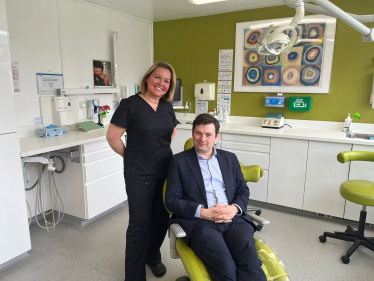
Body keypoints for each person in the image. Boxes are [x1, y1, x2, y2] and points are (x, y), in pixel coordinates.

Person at [165, 113, 267, 281]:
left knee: (250, 263)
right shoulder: (179, 161)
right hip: (201, 223)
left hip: (232, 219)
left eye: (208, 134)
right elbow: (172, 200)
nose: (202, 138)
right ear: (192, 134)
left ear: (216, 137)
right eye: (198, 133)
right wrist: (203, 212)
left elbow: (243, 190)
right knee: (225, 268)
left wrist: (234, 208)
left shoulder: (230, 158)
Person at [106, 61, 178, 281]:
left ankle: (152, 256)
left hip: (165, 170)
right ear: (147, 78)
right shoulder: (130, 105)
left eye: (167, 81)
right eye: (157, 77)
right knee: (139, 225)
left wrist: (158, 148)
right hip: (139, 174)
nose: (161, 83)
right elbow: (113, 137)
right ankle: (134, 276)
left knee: (161, 219)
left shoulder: (167, 106)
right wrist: (133, 157)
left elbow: (172, 131)